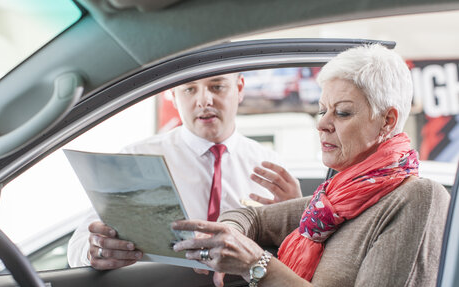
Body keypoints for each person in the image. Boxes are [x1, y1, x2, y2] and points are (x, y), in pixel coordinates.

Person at [171, 44, 451, 287]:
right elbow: (250, 217)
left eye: (341, 113)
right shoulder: (332, 200)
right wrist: (229, 236)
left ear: (387, 121)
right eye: (322, 110)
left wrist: (257, 265)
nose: (322, 124)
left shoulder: (418, 198)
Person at [67, 73, 301, 269]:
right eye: (189, 89)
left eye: (217, 86)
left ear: (239, 88)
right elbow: (77, 248)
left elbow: (296, 256)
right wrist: (96, 250)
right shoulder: (136, 159)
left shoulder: (270, 164)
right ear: (173, 95)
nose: (204, 100)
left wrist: (297, 218)